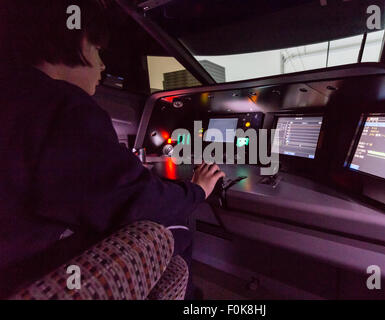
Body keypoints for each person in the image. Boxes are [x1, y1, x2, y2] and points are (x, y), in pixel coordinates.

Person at [0, 0, 224, 298]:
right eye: (98, 50)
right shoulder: (65, 106)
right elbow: (136, 201)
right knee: (177, 221)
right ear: (74, 39)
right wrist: (197, 190)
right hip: (26, 269)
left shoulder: (16, 92)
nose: (103, 65)